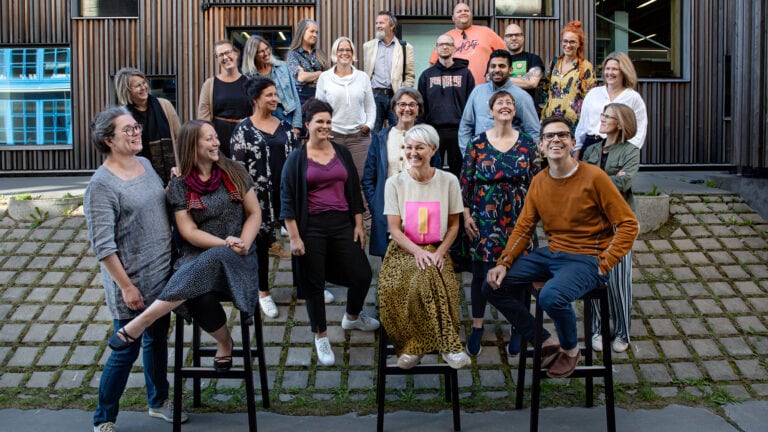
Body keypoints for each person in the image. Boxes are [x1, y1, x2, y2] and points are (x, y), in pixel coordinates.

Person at [106, 119, 262, 382]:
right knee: (199, 297)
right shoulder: (180, 184)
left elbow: (254, 213)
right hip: (198, 255)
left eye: (216, 137)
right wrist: (223, 243)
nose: (217, 143)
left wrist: (242, 243)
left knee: (215, 258)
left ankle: (144, 320)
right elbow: (188, 231)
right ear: (192, 145)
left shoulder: (235, 171)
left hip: (239, 256)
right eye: (209, 139)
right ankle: (225, 342)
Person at [484, 116, 638, 379]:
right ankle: (544, 339)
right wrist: (504, 262)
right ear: (541, 146)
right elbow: (524, 227)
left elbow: (628, 224)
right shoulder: (539, 181)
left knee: (550, 297)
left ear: (572, 142)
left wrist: (606, 261)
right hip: (553, 253)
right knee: (491, 284)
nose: (556, 140)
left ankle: (569, 348)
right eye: (549, 136)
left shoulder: (595, 177)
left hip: (587, 258)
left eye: (562, 135)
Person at [84, 107, 186, 432]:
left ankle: (158, 402)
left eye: (135, 126)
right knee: (125, 351)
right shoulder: (101, 186)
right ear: (108, 140)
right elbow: (103, 247)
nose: (136, 132)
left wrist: (173, 188)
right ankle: (104, 418)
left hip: (162, 275)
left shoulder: (144, 164)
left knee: (157, 341)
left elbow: (157, 205)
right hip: (132, 284)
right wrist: (126, 287)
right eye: (127, 129)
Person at [280, 98, 380, 367]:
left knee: (362, 274)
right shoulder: (296, 159)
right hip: (311, 226)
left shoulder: (341, 152)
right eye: (319, 122)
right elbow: (287, 201)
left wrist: (359, 223)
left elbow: (354, 189)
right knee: (314, 284)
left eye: (328, 121)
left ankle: (352, 317)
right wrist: (294, 237)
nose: (325, 126)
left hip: (342, 223)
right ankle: (321, 335)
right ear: (307, 124)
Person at [378, 124, 470, 370]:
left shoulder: (448, 181)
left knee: (432, 273)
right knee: (419, 276)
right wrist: (418, 252)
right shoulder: (394, 183)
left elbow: (454, 225)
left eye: (420, 147)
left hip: (437, 247)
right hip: (403, 249)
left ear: (433, 149)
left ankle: (414, 348)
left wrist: (440, 252)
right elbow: (394, 229)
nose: (413, 153)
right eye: (409, 147)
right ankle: (448, 346)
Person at [460, 91, 540, 357]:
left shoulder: (527, 143)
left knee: (520, 273)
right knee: (481, 274)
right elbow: (465, 181)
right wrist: (466, 215)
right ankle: (477, 326)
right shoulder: (477, 143)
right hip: (484, 216)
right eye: (499, 103)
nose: (505, 106)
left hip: (520, 217)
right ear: (491, 111)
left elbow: (537, 183)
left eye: (509, 103)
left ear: (514, 111)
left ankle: (519, 326)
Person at [230, 76, 299, 318]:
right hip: (258, 200)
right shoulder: (243, 130)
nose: (275, 99)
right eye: (269, 95)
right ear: (255, 99)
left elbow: (297, 161)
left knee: (299, 237)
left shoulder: (286, 127)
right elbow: (238, 171)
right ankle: (263, 292)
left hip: (287, 196)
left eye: (275, 94)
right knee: (259, 246)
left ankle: (305, 286)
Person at [582, 103, 640, 354]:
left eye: (608, 116)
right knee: (594, 276)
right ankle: (597, 329)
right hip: (593, 223)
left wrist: (596, 180)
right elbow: (581, 181)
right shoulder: (591, 150)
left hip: (619, 224)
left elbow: (624, 183)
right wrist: (611, 178)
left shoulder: (631, 151)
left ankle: (622, 332)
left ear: (621, 123)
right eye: (603, 114)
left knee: (620, 282)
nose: (603, 118)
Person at [362, 87, 442, 258]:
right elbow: (368, 178)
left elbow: (437, 173)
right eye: (402, 104)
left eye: (412, 105)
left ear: (419, 109)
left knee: (420, 260)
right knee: (389, 261)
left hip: (420, 208)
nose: (407, 109)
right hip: (388, 209)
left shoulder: (428, 137)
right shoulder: (381, 138)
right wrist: (376, 203)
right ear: (394, 108)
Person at [315, 36, 376, 180]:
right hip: (333, 137)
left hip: (359, 138)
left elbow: (370, 106)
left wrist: (369, 125)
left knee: (361, 179)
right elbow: (318, 109)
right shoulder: (325, 77)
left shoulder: (362, 77)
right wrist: (323, 131)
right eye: (340, 49)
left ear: (353, 53)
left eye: (348, 50)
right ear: (335, 53)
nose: (344, 53)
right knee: (334, 179)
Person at [459, 49, 540, 154]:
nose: (496, 70)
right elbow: (465, 126)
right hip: (480, 155)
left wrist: (528, 158)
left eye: (502, 66)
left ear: (510, 70)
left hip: (511, 157)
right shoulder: (477, 92)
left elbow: (533, 131)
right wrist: (468, 155)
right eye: (493, 66)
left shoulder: (522, 96)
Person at [418, 33, 475, 177]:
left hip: (459, 130)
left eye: (448, 44)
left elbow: (471, 103)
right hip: (434, 130)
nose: (444, 47)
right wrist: (423, 131)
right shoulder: (427, 75)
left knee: (458, 171)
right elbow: (421, 106)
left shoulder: (465, 74)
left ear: (454, 48)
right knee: (432, 170)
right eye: (441, 44)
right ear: (436, 48)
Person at [114, 67, 180, 184]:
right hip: (139, 177)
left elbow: (179, 138)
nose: (143, 87)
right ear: (127, 90)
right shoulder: (124, 115)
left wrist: (181, 166)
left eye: (144, 83)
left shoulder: (165, 105)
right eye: (137, 86)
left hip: (172, 174)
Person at [575, 51, 648, 158]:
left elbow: (640, 129)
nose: (610, 72)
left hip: (618, 148)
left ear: (624, 71)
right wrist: (577, 150)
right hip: (590, 147)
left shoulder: (633, 97)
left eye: (615, 69)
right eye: (607, 68)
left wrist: (630, 152)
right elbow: (582, 125)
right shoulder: (593, 93)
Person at [363, 10, 416, 133]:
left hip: (396, 96)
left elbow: (410, 75)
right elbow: (367, 72)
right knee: (374, 133)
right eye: (377, 23)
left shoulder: (405, 47)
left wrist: (403, 93)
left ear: (392, 26)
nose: (378, 26)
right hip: (375, 96)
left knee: (398, 132)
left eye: (382, 23)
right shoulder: (368, 46)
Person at [197, 40, 252, 158]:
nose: (225, 57)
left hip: (245, 137)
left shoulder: (249, 83)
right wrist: (208, 141)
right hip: (218, 140)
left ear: (236, 54)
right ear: (217, 59)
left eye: (228, 52)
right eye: (221, 55)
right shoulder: (209, 84)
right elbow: (203, 118)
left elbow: (256, 112)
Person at [428, 2, 506, 85]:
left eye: (466, 11)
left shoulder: (486, 31)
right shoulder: (445, 38)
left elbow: (505, 55)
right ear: (453, 18)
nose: (463, 13)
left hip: (485, 87)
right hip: (455, 89)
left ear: (471, 15)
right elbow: (433, 64)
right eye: (459, 11)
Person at [242, 35, 303, 133]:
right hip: (262, 122)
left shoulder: (282, 67)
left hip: (287, 118)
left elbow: (295, 96)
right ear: (253, 55)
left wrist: (297, 125)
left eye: (267, 49)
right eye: (261, 51)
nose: (266, 53)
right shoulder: (249, 76)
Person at [540, 20, 596, 126]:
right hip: (550, 120)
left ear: (579, 44)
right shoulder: (555, 63)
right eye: (565, 41)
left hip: (573, 124)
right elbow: (547, 90)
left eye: (572, 42)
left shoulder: (586, 66)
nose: (568, 45)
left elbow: (590, 97)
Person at [286, 19, 328, 107]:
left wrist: (310, 76)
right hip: (302, 97)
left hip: (320, 94)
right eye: (312, 31)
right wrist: (319, 73)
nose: (315, 35)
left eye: (316, 32)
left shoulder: (319, 53)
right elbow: (301, 77)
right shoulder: (293, 54)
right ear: (302, 32)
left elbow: (327, 76)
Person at [503, 23, 545, 108]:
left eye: (517, 35)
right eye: (509, 35)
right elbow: (489, 79)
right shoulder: (497, 59)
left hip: (526, 110)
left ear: (523, 37)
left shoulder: (533, 59)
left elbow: (532, 82)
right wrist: (522, 80)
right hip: (502, 109)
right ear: (504, 39)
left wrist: (501, 79)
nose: (514, 38)